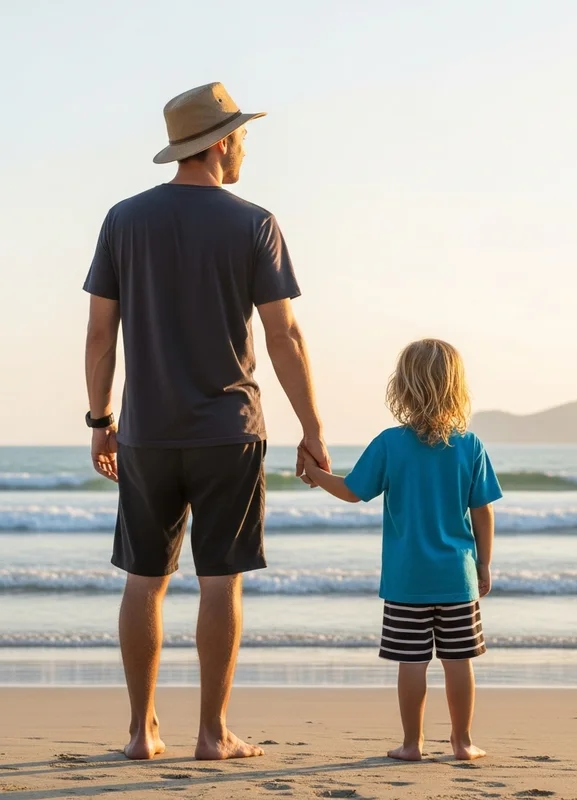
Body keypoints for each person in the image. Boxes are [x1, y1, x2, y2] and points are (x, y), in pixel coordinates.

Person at [83, 82, 329, 761]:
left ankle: (141, 733)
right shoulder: (254, 223)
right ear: (219, 142)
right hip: (230, 430)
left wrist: (100, 418)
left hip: (147, 432)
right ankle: (214, 733)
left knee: (145, 577)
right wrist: (312, 426)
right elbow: (286, 337)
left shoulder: (123, 220)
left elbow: (100, 333)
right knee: (221, 578)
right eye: (242, 133)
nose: (245, 144)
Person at [300, 339, 502, 761]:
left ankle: (412, 744)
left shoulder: (391, 443)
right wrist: (484, 563)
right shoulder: (471, 445)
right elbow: (482, 513)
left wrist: (318, 475)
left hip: (407, 579)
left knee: (411, 662)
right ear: (457, 388)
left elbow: (354, 492)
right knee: (458, 661)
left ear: (404, 388)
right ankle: (462, 743)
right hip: (457, 577)